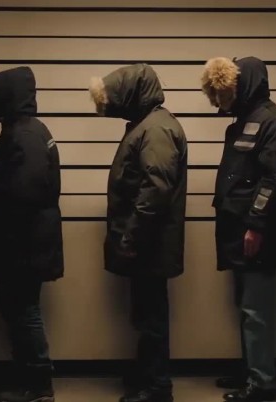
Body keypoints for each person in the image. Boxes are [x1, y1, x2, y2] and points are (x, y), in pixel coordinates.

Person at [201, 56, 276, 402]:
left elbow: (273, 180)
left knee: (256, 311)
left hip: (256, 233)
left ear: (246, 84)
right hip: (238, 230)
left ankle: (262, 384)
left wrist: (256, 225)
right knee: (245, 307)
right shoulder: (244, 120)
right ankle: (251, 371)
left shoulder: (273, 121)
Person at [89, 64, 188, 402]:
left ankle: (158, 386)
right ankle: (148, 375)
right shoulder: (148, 125)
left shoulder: (155, 129)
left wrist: (131, 237)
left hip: (150, 244)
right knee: (147, 314)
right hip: (149, 242)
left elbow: (155, 190)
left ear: (132, 94)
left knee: (152, 317)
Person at [0, 66, 64, 402]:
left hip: (23, 244)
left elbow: (25, 193)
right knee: (18, 309)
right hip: (27, 241)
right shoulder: (28, 130)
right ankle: (28, 377)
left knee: (24, 311)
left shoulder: (24, 135)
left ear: (7, 97)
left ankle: (38, 384)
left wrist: (6, 238)